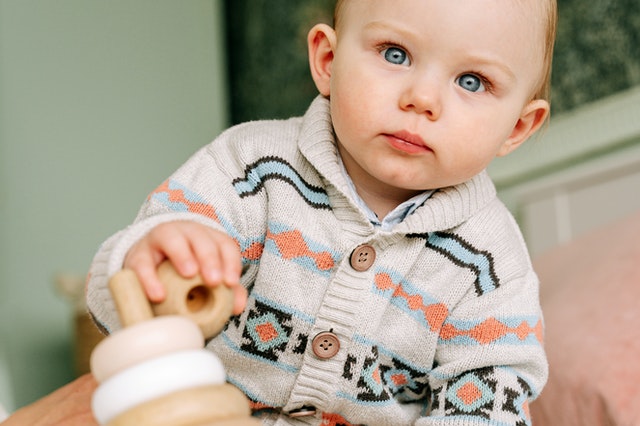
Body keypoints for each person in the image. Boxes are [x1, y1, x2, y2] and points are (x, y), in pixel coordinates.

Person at [87, 0, 557, 424]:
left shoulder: (490, 265)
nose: (423, 99)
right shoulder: (252, 169)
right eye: (395, 54)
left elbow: (490, 400)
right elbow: (120, 308)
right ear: (328, 61)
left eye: (471, 81)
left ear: (516, 127)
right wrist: (155, 261)